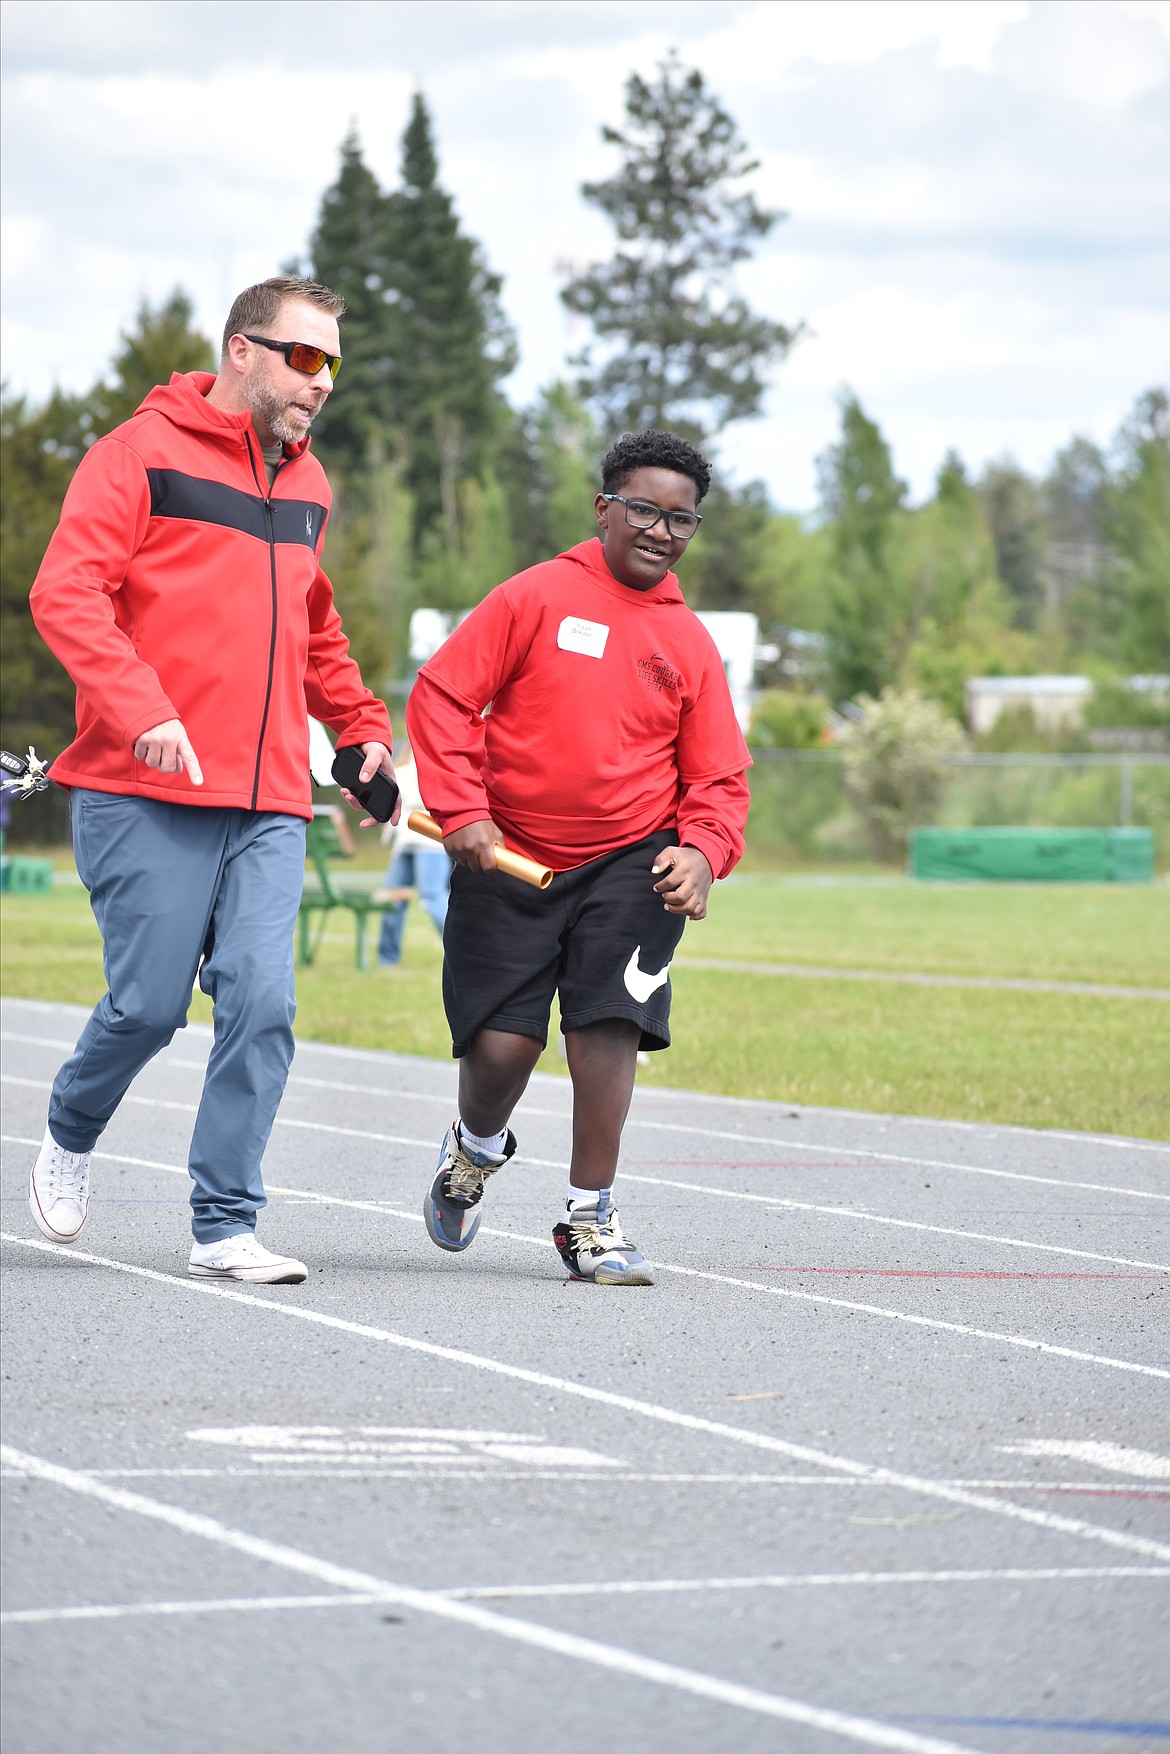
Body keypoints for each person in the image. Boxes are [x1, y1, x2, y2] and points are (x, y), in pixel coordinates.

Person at [27, 275, 397, 1284]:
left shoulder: (310, 485)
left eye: (334, 363)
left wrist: (361, 730)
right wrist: (143, 708)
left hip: (271, 797)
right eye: (305, 357)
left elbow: (316, 629)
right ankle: (70, 1125)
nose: (321, 382)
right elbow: (66, 591)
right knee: (147, 1007)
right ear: (243, 350)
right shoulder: (135, 455)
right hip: (138, 788)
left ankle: (226, 1220)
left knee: (262, 999)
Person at [405, 429, 751, 1286]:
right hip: (507, 860)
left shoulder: (691, 643)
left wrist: (703, 853)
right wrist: (463, 811)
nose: (661, 530)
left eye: (682, 519)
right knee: (500, 1054)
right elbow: (444, 697)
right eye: (644, 509)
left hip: (634, 862)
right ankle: (475, 1149)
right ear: (604, 509)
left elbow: (720, 778)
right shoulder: (534, 597)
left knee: (608, 1030)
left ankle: (590, 1217)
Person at [375, 743, 452, 967]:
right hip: (404, 841)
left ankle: (461, 949)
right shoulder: (406, 759)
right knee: (393, 898)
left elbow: (416, 794)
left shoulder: (435, 758)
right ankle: (387, 958)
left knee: (432, 896)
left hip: (429, 841)